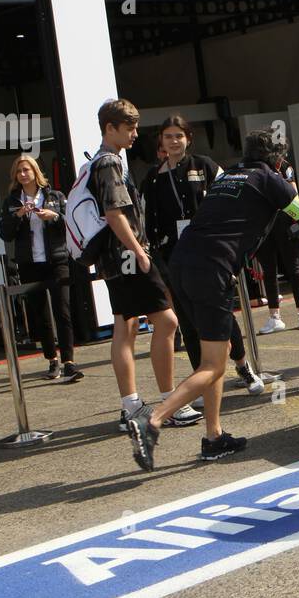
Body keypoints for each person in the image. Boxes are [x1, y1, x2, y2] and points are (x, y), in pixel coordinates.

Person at [127, 130, 299, 469]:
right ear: (276, 159)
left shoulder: (228, 175)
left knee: (214, 356)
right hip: (212, 270)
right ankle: (152, 419)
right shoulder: (270, 180)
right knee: (214, 364)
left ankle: (214, 437)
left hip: (182, 264)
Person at [88, 99, 201, 431]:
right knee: (166, 322)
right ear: (111, 128)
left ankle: (132, 407)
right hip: (126, 255)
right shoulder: (109, 163)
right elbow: (114, 213)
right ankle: (167, 401)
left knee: (128, 327)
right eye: (130, 128)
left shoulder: (103, 160)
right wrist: (138, 250)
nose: (136, 134)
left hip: (114, 257)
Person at [139, 115, 264, 393]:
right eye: (168, 136)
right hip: (174, 258)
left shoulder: (205, 165)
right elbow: (146, 218)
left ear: (188, 138)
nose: (174, 141)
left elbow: (231, 200)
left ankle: (244, 367)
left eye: (179, 136)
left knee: (221, 313)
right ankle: (202, 381)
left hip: (209, 254)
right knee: (187, 320)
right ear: (161, 140)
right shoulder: (152, 177)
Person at [0, 156, 83, 383]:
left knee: (63, 311)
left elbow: (71, 223)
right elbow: (5, 233)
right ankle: (51, 359)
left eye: (26, 170)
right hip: (29, 264)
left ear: (36, 172)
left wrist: (54, 216)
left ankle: (69, 362)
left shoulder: (54, 196)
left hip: (57, 261)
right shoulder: (12, 201)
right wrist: (17, 216)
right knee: (40, 315)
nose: (23, 174)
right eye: (19, 172)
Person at [255, 142, 299, 333]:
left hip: (285, 221)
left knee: (293, 267)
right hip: (264, 223)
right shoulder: (257, 168)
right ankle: (274, 317)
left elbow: (293, 194)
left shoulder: (286, 167)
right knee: (269, 270)